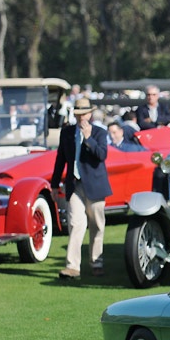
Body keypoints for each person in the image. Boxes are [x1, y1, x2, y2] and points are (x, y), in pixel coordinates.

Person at [51, 97, 112, 280]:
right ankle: (72, 266)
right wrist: (54, 184)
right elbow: (60, 159)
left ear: (90, 113)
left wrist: (88, 139)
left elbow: (102, 155)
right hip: (74, 185)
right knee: (76, 224)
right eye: (78, 114)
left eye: (84, 113)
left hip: (94, 185)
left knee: (97, 225)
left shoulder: (99, 133)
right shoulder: (67, 132)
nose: (81, 117)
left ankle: (96, 262)